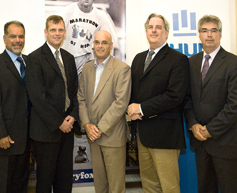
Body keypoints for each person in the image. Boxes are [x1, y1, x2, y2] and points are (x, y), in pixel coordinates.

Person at [128, 13, 189, 193]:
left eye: (158, 27)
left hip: (165, 136)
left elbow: (175, 96)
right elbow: (133, 91)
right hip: (143, 134)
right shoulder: (138, 58)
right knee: (149, 186)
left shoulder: (178, 59)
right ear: (146, 31)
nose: (154, 30)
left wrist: (141, 108)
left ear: (166, 33)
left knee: (169, 187)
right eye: (150, 27)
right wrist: (131, 107)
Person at [184, 15, 237, 193]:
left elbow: (234, 105)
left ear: (220, 34)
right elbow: (187, 99)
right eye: (205, 31)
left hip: (225, 142)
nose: (209, 35)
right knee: (205, 189)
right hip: (200, 142)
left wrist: (210, 130)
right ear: (199, 35)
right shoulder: (190, 63)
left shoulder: (233, 63)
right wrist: (193, 124)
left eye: (213, 31)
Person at [26, 15, 79, 193]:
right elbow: (37, 97)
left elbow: (74, 92)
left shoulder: (69, 58)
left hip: (68, 129)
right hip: (46, 131)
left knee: (64, 180)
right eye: (53, 30)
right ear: (45, 32)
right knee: (45, 180)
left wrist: (73, 116)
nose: (57, 34)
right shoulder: (34, 58)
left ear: (65, 33)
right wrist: (59, 122)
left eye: (60, 30)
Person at [77, 30, 131, 193]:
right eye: (97, 42)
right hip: (93, 136)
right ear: (93, 45)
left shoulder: (122, 69)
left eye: (104, 42)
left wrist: (99, 129)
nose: (100, 46)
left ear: (111, 46)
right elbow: (81, 99)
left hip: (111, 135)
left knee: (115, 187)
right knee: (100, 185)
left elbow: (120, 103)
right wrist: (86, 124)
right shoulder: (86, 69)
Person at [0, 21, 30, 193]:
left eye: (21, 36)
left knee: (20, 187)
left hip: (25, 142)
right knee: (2, 187)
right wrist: (0, 134)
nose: (17, 40)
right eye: (13, 36)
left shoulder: (28, 63)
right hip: (4, 141)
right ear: (5, 38)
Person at [61, 0, 121, 77]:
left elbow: (113, 44)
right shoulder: (67, 11)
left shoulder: (101, 16)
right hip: (68, 61)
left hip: (89, 63)